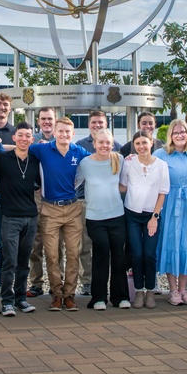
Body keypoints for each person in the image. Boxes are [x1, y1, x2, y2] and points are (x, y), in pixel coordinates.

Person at [28, 117, 90, 311]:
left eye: (67, 132)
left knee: (73, 254)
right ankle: (56, 294)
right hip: (49, 209)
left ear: (73, 134)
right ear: (54, 132)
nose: (64, 135)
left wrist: (123, 157)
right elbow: (19, 148)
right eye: (60, 131)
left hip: (72, 209)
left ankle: (69, 295)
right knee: (52, 255)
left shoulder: (78, 151)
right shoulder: (43, 149)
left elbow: (100, 159)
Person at [75, 130, 128, 310]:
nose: (105, 146)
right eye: (101, 142)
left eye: (108, 143)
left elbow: (124, 184)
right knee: (101, 252)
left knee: (119, 256)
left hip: (117, 215)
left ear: (112, 144)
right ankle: (98, 298)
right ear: (95, 144)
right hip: (94, 217)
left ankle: (120, 297)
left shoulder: (118, 160)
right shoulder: (85, 163)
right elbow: (74, 183)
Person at [0, 121, 41, 316]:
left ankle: (21, 298)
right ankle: (6, 300)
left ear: (32, 139)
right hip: (9, 216)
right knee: (9, 260)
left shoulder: (36, 160)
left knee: (24, 260)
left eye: (27, 136)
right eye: (20, 135)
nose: (23, 139)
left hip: (30, 216)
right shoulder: (2, 159)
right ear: (14, 137)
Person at [120, 130, 170, 309]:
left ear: (151, 143)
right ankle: (138, 291)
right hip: (132, 214)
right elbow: (123, 186)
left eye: (144, 143)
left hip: (152, 215)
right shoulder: (128, 163)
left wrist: (155, 217)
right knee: (137, 253)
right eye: (138, 143)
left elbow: (163, 193)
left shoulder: (161, 165)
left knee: (149, 254)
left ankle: (150, 290)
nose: (141, 146)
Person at [155, 119, 187, 306]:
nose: (180, 135)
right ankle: (172, 289)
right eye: (176, 133)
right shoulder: (161, 154)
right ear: (170, 136)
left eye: (183, 132)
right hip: (168, 202)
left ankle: (184, 289)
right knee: (171, 241)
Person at [75, 110, 116, 296]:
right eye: (93, 122)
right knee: (84, 245)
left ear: (105, 124)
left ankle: (105, 282)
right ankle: (87, 281)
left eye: (100, 122)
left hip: (110, 206)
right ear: (89, 124)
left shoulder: (118, 149)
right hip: (84, 201)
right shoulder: (79, 146)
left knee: (106, 246)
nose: (97, 125)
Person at [26, 106, 58, 297]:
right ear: (38, 121)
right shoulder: (31, 141)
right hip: (36, 197)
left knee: (57, 245)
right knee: (35, 242)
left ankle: (57, 283)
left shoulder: (64, 140)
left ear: (55, 120)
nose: (47, 122)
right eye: (43, 119)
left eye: (50, 119)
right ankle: (36, 283)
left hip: (56, 198)